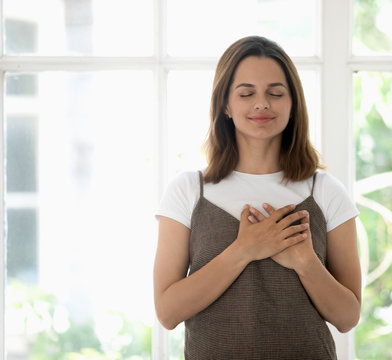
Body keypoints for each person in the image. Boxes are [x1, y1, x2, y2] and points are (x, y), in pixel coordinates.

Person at [153, 35, 362, 360]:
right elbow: (167, 312)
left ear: (293, 104)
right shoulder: (188, 191)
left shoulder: (325, 192)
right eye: (246, 93)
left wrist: (305, 262)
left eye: (275, 93)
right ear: (225, 104)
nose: (262, 103)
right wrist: (244, 250)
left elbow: (348, 317)